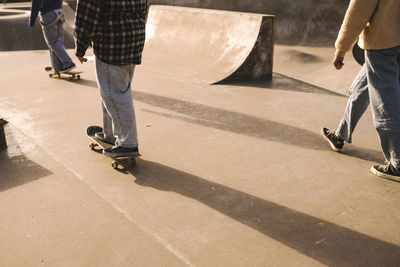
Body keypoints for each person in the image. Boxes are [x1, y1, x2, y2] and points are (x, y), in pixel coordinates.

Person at [327, 0, 400, 182]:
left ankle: (397, 162)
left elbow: (358, 11)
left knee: (384, 100)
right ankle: (340, 134)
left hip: (382, 43)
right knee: (363, 85)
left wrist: (341, 48)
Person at [74, 0, 147, 158]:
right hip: (134, 39)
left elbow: (87, 15)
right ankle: (110, 134)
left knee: (115, 95)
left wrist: (80, 46)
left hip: (112, 42)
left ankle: (128, 144)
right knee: (110, 92)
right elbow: (143, 9)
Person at [29, 0, 76, 73]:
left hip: (48, 14)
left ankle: (68, 63)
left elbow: (36, 2)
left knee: (52, 42)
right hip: (59, 11)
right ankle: (57, 67)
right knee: (57, 41)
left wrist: (32, 21)